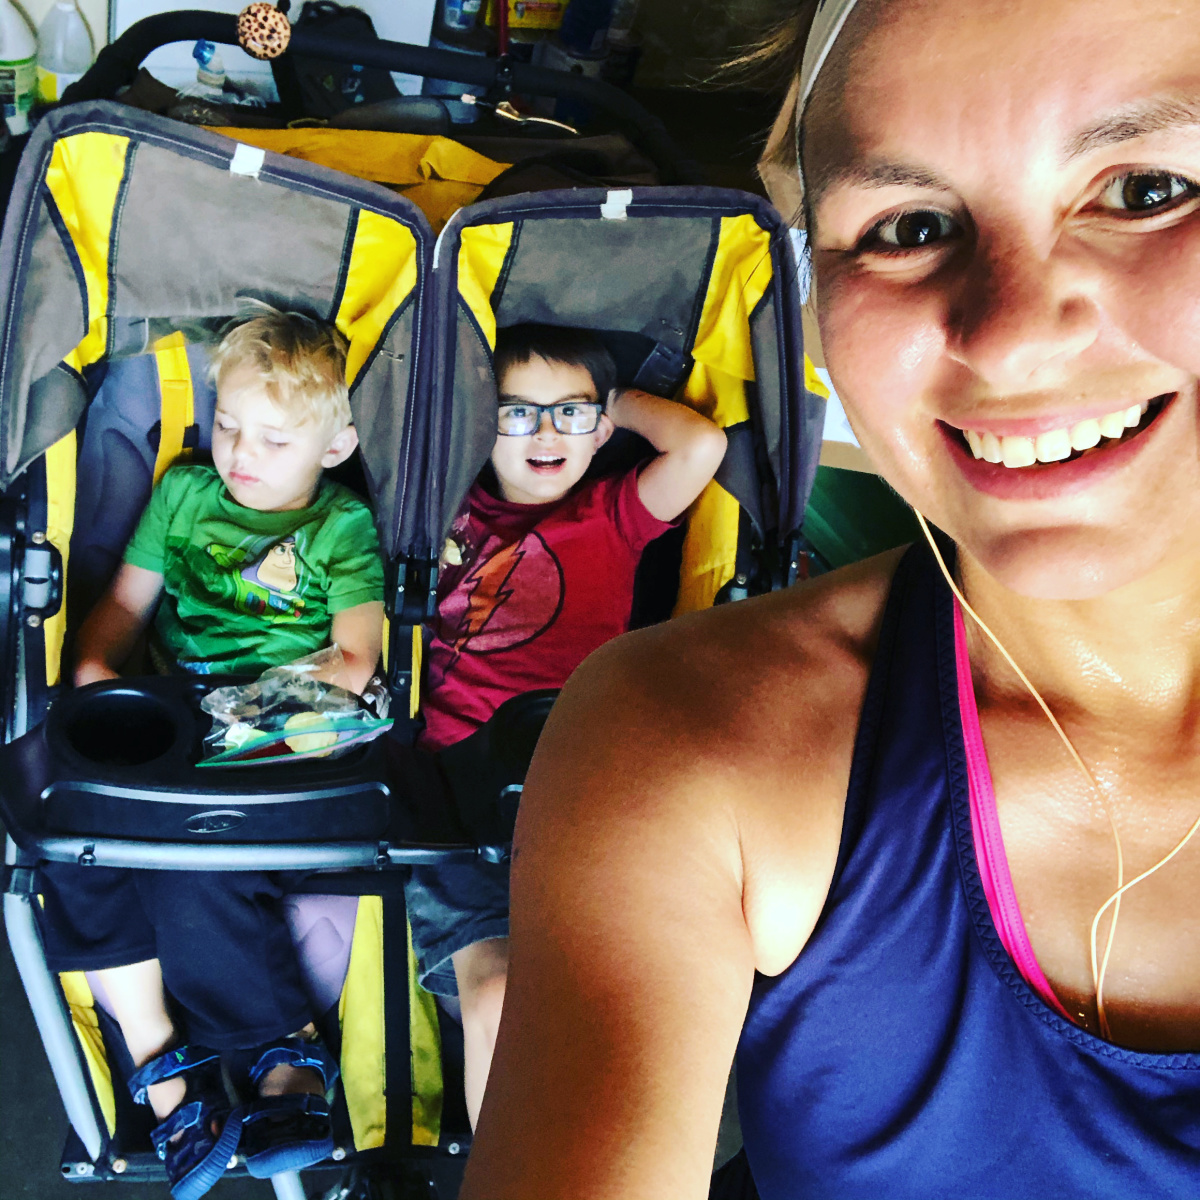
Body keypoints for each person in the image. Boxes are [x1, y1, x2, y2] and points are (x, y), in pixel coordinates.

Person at [460, 1, 1200, 1197]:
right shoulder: (695, 750)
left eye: (1147, 191)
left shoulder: (614, 522)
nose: (1010, 339)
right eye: (909, 227)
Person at [40, 307, 384, 1199]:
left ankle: (282, 1053)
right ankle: (165, 1065)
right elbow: (128, 603)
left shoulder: (340, 524)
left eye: (274, 439)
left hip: (287, 732)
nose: (240, 452)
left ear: (335, 445)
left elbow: (354, 662)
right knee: (69, 839)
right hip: (174, 723)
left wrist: (246, 713)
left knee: (190, 853)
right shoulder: (186, 493)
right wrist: (93, 670)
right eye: (227, 424)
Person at [407, 322, 727, 1128]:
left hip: (577, 776)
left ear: (602, 429)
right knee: (498, 993)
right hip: (454, 788)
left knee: (589, 994)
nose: (546, 433)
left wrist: (611, 401)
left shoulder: (613, 513)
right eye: (518, 413)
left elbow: (701, 447)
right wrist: (576, 408)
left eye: (569, 414)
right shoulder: (439, 515)